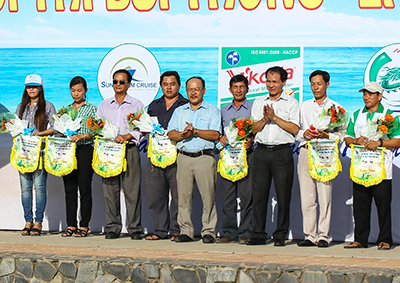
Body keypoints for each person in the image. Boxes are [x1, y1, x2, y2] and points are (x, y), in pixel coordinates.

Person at [247, 66, 300, 246]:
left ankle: (280, 235)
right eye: (268, 81)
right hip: (261, 151)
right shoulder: (258, 101)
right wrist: (264, 118)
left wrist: (275, 117)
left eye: (275, 81)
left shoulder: (291, 103)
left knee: (283, 196)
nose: (271, 85)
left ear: (283, 82)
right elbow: (252, 129)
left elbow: (294, 129)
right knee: (259, 195)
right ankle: (258, 234)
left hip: (282, 152)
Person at [344, 82, 400, 250]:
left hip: (381, 170)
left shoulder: (389, 116)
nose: (366, 97)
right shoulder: (356, 115)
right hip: (360, 169)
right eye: (365, 93)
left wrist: (380, 142)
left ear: (380, 96)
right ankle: (360, 239)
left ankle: (385, 239)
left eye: (371, 94)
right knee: (360, 206)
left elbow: (397, 140)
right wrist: (355, 140)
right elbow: (347, 138)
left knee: (383, 207)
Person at [168, 76, 221, 243]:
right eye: (190, 89)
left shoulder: (213, 111)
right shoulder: (179, 111)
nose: (193, 93)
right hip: (184, 158)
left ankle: (208, 231)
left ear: (204, 91)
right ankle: (186, 231)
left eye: (197, 89)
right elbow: (171, 133)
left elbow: (215, 134)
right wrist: (183, 134)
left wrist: (195, 132)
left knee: (208, 198)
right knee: (183, 198)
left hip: (204, 158)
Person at [296, 70, 345, 248]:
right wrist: (304, 134)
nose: (316, 87)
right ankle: (309, 235)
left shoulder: (336, 108)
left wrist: (327, 136)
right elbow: (296, 130)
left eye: (319, 83)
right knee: (307, 197)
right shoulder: (304, 106)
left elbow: (342, 135)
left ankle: (324, 235)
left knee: (325, 196)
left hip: (325, 154)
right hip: (306, 151)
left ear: (327, 85)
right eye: (313, 84)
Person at [96, 69, 144, 240]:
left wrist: (127, 136)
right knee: (110, 190)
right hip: (109, 151)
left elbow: (141, 128)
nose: (118, 85)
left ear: (129, 84)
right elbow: (97, 127)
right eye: (115, 82)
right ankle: (112, 227)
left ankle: (135, 228)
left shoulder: (136, 104)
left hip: (129, 150)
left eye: (121, 82)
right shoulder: (104, 105)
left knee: (133, 191)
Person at [145, 71, 188, 241]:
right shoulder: (154, 105)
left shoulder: (185, 105)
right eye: (165, 84)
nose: (168, 87)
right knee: (156, 195)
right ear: (160, 85)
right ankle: (160, 230)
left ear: (178, 85)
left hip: (178, 155)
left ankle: (176, 230)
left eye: (172, 84)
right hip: (156, 156)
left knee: (179, 196)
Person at [17, 74, 56, 236]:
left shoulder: (48, 106)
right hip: (24, 153)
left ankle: (38, 221)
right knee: (25, 189)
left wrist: (38, 135)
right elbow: (16, 127)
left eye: (34, 86)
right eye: (28, 86)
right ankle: (28, 220)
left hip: (40, 152)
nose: (31, 89)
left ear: (41, 88)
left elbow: (54, 128)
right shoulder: (21, 107)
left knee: (40, 188)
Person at [217, 74, 253, 244]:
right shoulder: (223, 110)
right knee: (227, 197)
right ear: (230, 90)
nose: (238, 90)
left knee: (247, 196)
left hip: (247, 156)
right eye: (235, 87)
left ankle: (246, 231)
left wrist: (251, 139)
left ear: (247, 88)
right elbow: (219, 133)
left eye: (242, 87)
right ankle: (229, 232)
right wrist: (221, 138)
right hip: (228, 158)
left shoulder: (254, 107)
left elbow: (258, 129)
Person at [61, 76, 97, 238]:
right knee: (69, 189)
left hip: (84, 150)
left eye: (79, 91)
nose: (76, 94)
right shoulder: (65, 109)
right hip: (68, 151)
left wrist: (82, 137)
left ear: (86, 91)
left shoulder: (92, 109)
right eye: (73, 91)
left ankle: (84, 225)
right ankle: (71, 224)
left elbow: (96, 131)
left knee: (84, 188)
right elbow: (58, 128)